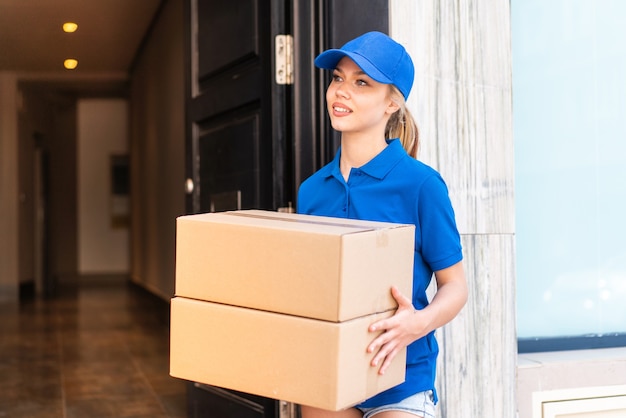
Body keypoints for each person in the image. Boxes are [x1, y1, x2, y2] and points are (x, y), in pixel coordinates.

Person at [296, 31, 468, 418]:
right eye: (338, 78)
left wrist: (417, 324)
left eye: (362, 83)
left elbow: (455, 286)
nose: (342, 91)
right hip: (331, 373)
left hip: (401, 378)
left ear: (393, 102)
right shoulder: (312, 192)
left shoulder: (421, 185)